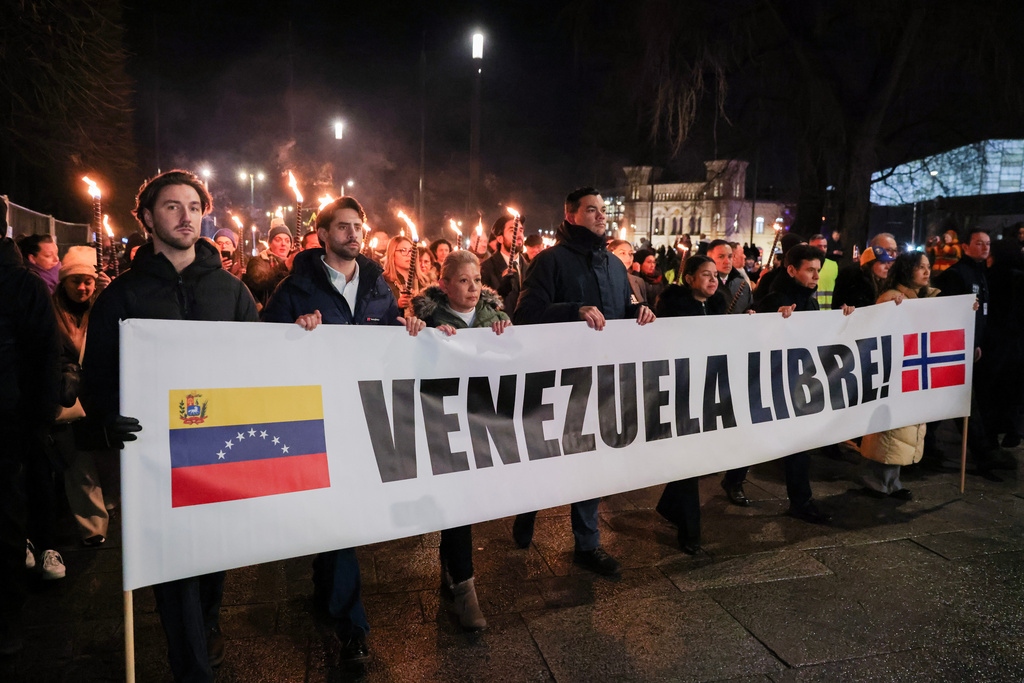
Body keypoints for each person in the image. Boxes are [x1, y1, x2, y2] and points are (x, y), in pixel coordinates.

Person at [82, 170, 258, 682]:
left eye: (193, 207)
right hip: (155, 452)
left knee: (212, 549)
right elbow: (97, 378)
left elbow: (256, 361)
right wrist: (110, 416)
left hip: (216, 445)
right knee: (173, 563)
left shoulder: (231, 290)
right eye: (171, 207)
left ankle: (207, 620)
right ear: (148, 219)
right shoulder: (123, 295)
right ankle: (190, 660)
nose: (186, 217)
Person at [262, 196, 424, 665]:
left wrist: (409, 325)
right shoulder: (296, 288)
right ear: (324, 233)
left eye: (359, 226)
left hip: (364, 417)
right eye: (343, 227)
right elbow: (264, 346)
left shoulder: (377, 285)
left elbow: (391, 340)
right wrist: (294, 331)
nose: (353, 234)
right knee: (340, 521)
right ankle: (352, 625)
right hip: (317, 418)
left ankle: (327, 584)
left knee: (341, 519)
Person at [511, 187, 656, 577]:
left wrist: (639, 310)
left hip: (602, 378)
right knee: (548, 458)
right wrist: (573, 311)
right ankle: (527, 508)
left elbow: (620, 310)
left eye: (603, 210)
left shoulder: (612, 264)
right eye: (591, 210)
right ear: (571, 215)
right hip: (559, 378)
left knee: (590, 460)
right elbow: (525, 314)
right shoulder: (549, 261)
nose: (600, 216)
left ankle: (587, 544)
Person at [412, 250, 511, 630]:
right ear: (445, 284)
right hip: (444, 423)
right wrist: (423, 336)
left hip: (485, 422)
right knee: (458, 505)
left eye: (477, 280)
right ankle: (465, 589)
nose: (473, 288)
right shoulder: (427, 317)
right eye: (464, 281)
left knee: (470, 501)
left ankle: (451, 570)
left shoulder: (494, 316)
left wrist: (508, 335)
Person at [754, 244, 855, 524]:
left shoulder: (809, 301)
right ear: (791, 270)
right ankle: (734, 479)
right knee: (754, 438)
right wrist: (774, 319)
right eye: (810, 270)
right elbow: (757, 338)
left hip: (798, 384)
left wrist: (842, 317)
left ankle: (801, 501)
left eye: (818, 270)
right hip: (774, 384)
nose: (816, 276)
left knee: (799, 445)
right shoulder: (775, 298)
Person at [0, 235, 61, 654]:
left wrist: (38, 418)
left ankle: (4, 616)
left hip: (8, 422)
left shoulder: (21, 285)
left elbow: (44, 354)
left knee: (5, 515)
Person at [652, 255, 725, 554]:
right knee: (688, 457)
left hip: (707, 389)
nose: (712, 280)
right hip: (680, 389)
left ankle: (670, 506)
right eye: (705, 274)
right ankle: (690, 532)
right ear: (689, 278)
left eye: (716, 275)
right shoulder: (672, 305)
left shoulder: (719, 305)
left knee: (698, 457)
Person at [932, 229, 1013, 476]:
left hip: (970, 346)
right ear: (965, 247)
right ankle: (984, 455)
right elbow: (951, 315)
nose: (985, 247)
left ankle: (928, 449)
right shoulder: (957, 275)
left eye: (988, 243)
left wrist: (976, 342)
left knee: (948, 402)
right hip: (954, 349)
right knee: (963, 401)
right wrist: (963, 343)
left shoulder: (980, 272)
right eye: (979, 243)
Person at [859, 252, 937, 499]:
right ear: (906, 270)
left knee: (903, 429)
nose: (927, 271)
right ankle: (876, 482)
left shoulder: (924, 298)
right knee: (889, 430)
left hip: (911, 372)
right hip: (894, 374)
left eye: (928, 267)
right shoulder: (892, 299)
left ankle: (892, 482)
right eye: (920, 267)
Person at [51, 246, 113, 550]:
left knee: (105, 457)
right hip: (69, 399)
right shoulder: (50, 311)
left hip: (97, 394)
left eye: (88, 280)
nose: (82, 287)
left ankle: (110, 504)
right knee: (78, 464)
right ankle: (92, 527)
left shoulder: (101, 307)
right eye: (75, 280)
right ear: (64, 281)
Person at [833, 233, 897, 309]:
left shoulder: (891, 278)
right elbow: (839, 304)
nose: (893, 254)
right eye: (889, 250)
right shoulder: (851, 276)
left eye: (895, 250)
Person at [244, 221, 292, 310]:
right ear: (270, 243)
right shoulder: (258, 261)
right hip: (267, 312)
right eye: (278, 240)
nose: (283, 244)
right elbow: (258, 281)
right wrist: (284, 266)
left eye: (287, 241)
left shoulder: (295, 263)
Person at [708, 239, 751, 314]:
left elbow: (749, 306)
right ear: (710, 258)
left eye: (730, 257)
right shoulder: (703, 285)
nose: (727, 261)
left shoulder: (742, 284)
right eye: (721, 257)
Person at [607, 239, 647, 304]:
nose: (628, 257)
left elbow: (644, 306)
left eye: (630, 253)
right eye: (622, 253)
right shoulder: (604, 281)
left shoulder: (638, 282)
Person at [381, 234, 416, 310]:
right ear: (392, 254)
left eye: (411, 250)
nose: (409, 254)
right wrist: (397, 305)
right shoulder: (383, 282)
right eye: (403, 250)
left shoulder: (420, 280)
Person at [809, 233, 838, 310]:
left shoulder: (834, 265)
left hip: (829, 312)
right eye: (819, 246)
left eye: (825, 246)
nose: (822, 249)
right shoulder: (804, 266)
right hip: (811, 312)